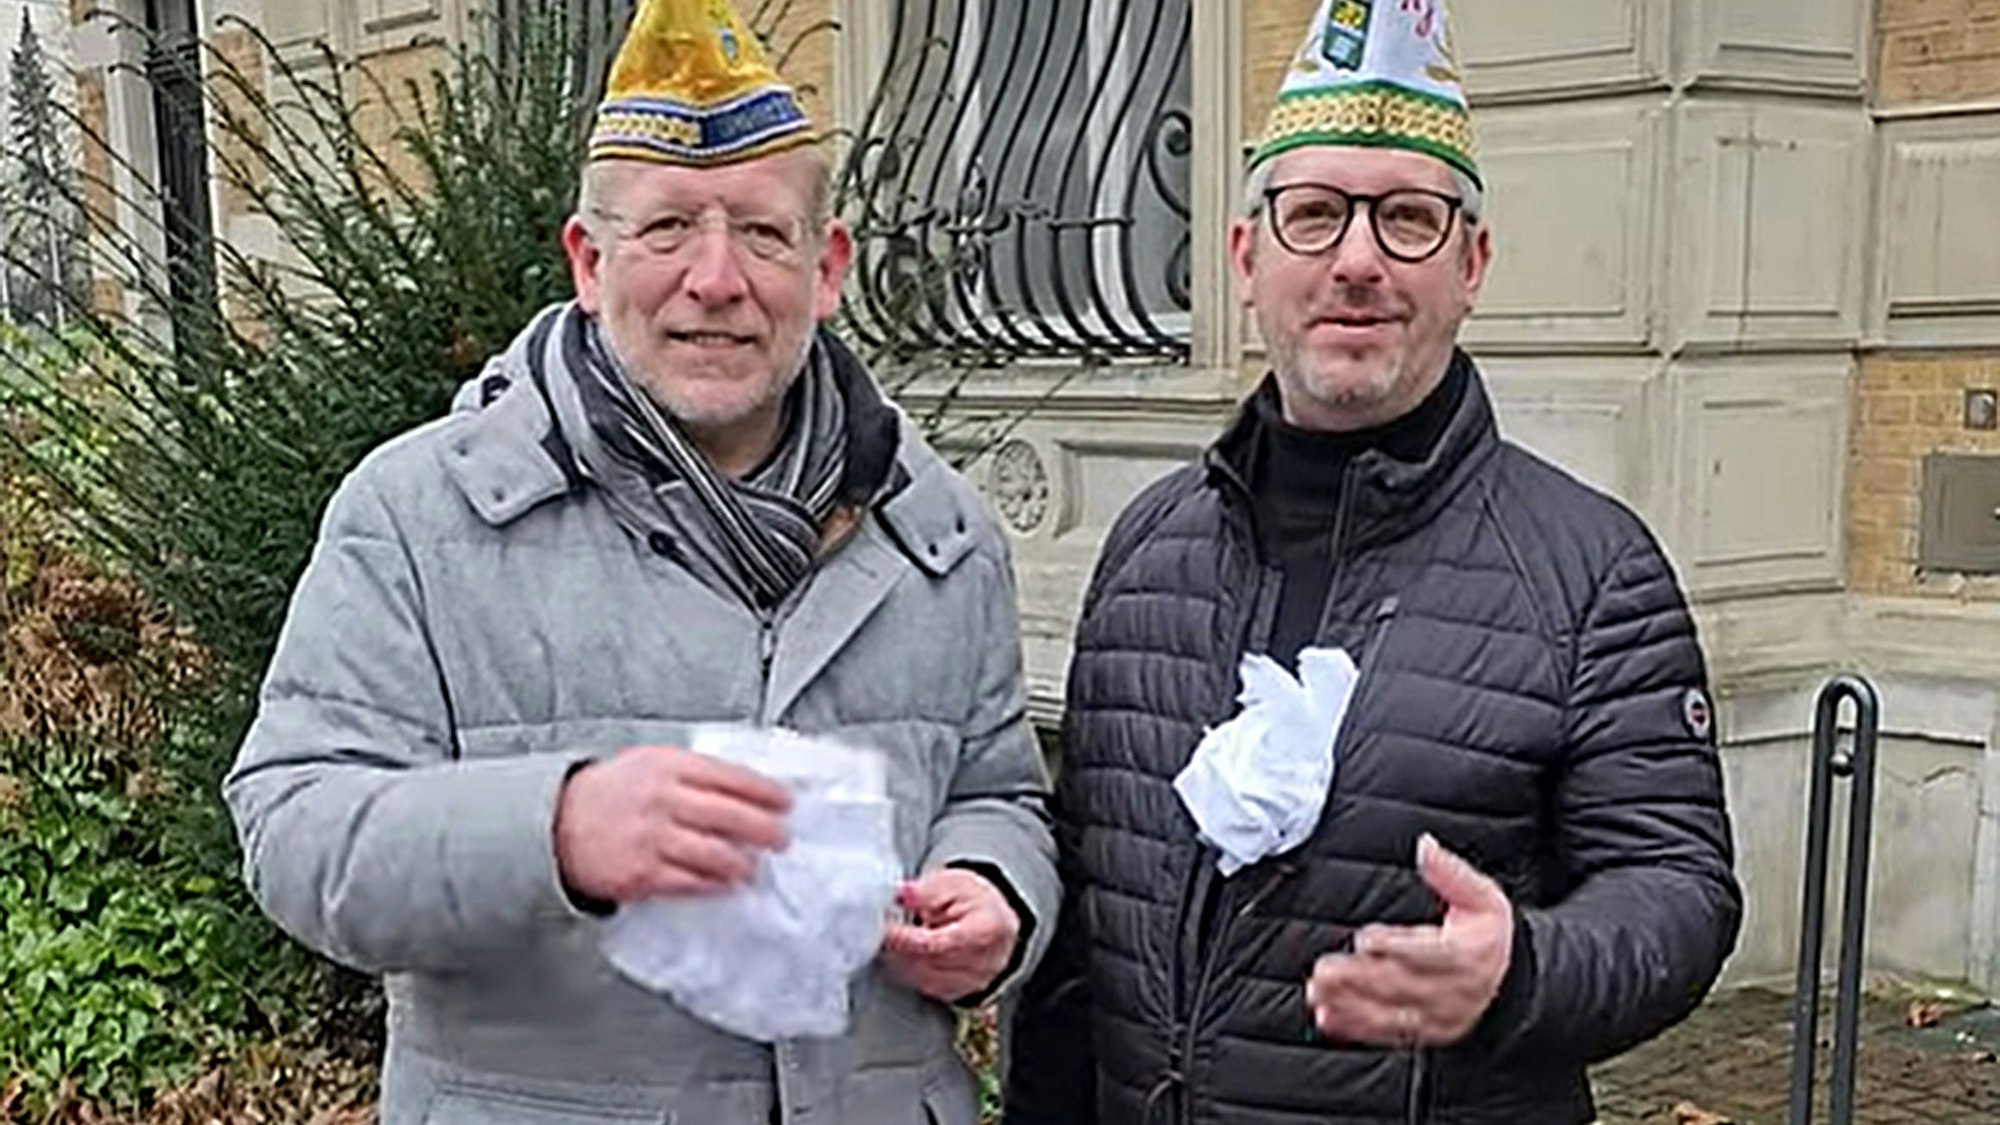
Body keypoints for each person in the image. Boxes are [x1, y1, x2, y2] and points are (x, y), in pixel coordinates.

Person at [224, 1, 1056, 1122]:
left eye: (762, 234)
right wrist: (555, 830)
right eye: (667, 229)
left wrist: (994, 890)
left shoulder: (936, 531)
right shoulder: (418, 516)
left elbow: (998, 791)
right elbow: (293, 831)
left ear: (827, 268)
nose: (714, 279)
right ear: (588, 259)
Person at [1003, 1, 1741, 1122]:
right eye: (1311, 215)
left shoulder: (1591, 572)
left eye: (1405, 218)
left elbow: (1678, 894)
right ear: (1246, 257)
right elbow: (1086, 918)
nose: (1355, 260)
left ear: (1470, 262)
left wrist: (1522, 968)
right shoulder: (1148, 546)